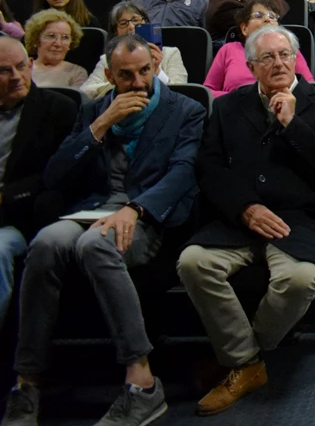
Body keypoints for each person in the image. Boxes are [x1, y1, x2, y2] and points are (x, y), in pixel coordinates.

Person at [4, 34, 204, 426]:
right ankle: (27, 381)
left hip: (148, 216)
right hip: (92, 210)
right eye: (126, 76)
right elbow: (55, 175)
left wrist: (136, 208)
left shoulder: (186, 110)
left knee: (95, 246)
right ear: (110, 75)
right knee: (44, 244)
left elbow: (183, 172)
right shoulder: (93, 110)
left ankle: (142, 383)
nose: (139, 83)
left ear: (155, 66)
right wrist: (100, 125)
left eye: (145, 71)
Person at [177, 26, 315, 415]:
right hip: (239, 216)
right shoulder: (228, 106)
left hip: (296, 221)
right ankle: (247, 363)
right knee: (193, 262)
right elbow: (209, 166)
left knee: (300, 279)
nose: (279, 63)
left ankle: (241, 357)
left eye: (285, 55)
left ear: (296, 58)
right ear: (252, 66)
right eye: (268, 58)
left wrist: (294, 126)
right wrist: (244, 207)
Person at [0, 37, 77, 326]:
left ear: (31, 65)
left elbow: (55, 177)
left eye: (21, 66)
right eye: (4, 70)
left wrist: (5, 196)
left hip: (19, 218)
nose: (16, 76)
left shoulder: (58, 109)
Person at [204, 0, 314, 96]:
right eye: (258, 15)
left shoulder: (288, 51)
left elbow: (309, 88)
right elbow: (209, 91)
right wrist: (236, 100)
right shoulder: (228, 50)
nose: (267, 19)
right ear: (244, 28)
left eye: (272, 16)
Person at [82, 2, 187, 99]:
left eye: (135, 20)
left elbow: (181, 93)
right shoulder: (107, 59)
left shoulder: (170, 53)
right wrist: (120, 83)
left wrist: (157, 71)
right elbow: (86, 91)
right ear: (115, 32)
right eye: (123, 23)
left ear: (146, 23)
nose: (131, 27)